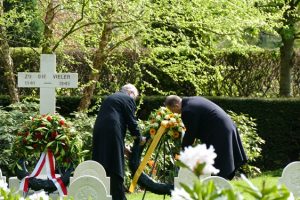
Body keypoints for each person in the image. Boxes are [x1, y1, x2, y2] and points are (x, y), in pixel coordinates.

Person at [164, 95, 247, 180]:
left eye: (172, 110)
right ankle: (220, 181)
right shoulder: (193, 99)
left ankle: (219, 183)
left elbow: (191, 133)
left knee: (218, 161)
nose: (174, 113)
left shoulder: (187, 110)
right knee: (219, 159)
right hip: (226, 126)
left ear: (176, 105)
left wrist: (184, 149)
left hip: (220, 131)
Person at [92, 84, 145, 200]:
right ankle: (118, 197)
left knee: (103, 161)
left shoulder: (112, 98)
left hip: (99, 131)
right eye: (135, 97)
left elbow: (115, 119)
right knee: (115, 163)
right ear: (131, 93)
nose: (134, 100)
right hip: (112, 132)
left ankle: (102, 194)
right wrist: (139, 138)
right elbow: (131, 121)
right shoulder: (127, 99)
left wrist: (122, 146)